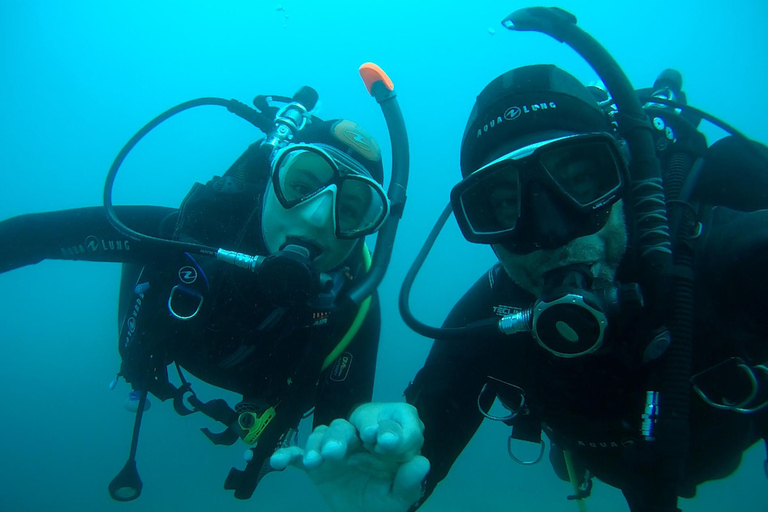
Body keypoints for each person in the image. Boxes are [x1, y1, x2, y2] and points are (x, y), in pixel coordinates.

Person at [269, 56, 768, 512]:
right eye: (505, 205)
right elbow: (411, 455)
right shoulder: (490, 322)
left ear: (626, 176)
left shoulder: (728, 255)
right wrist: (381, 492)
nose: (551, 232)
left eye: (579, 180)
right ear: (477, 223)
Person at [0, 79, 408, 501]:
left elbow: (343, 441)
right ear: (271, 177)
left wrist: (367, 483)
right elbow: (35, 235)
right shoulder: (189, 232)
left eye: (352, 208)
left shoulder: (352, 310)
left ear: (367, 231)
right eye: (301, 186)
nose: (318, 217)